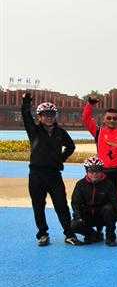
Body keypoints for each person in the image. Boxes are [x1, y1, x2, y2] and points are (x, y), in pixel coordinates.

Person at [21, 94, 74, 246]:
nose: (49, 117)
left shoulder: (60, 132)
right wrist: (26, 102)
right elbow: (26, 116)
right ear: (39, 117)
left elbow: (71, 146)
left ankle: (69, 234)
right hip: (36, 174)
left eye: (51, 114)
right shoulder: (34, 130)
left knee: (61, 205)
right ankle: (43, 234)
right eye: (45, 115)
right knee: (38, 206)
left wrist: (61, 159)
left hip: (54, 174)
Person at [82, 95, 117, 236]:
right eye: (109, 118)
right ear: (104, 119)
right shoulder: (98, 132)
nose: (112, 120)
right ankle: (100, 229)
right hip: (102, 173)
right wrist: (90, 104)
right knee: (101, 201)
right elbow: (86, 119)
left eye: (114, 118)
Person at [70, 157, 117, 246]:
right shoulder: (80, 184)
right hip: (87, 216)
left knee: (109, 209)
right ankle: (93, 234)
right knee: (73, 225)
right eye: (91, 171)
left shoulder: (109, 184)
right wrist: (78, 217)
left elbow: (116, 203)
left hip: (103, 216)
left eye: (97, 171)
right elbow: (75, 203)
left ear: (102, 171)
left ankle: (110, 237)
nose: (94, 174)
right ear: (87, 171)